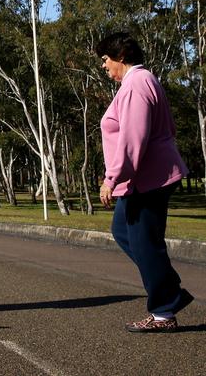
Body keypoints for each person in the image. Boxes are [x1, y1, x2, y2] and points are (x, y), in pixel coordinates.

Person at [96, 32, 193, 333]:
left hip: (148, 178)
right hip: (145, 176)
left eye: (105, 59)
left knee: (144, 241)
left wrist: (112, 179)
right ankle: (169, 291)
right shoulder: (141, 82)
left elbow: (132, 139)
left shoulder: (136, 83)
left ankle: (164, 309)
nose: (104, 66)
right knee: (123, 231)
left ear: (121, 57)